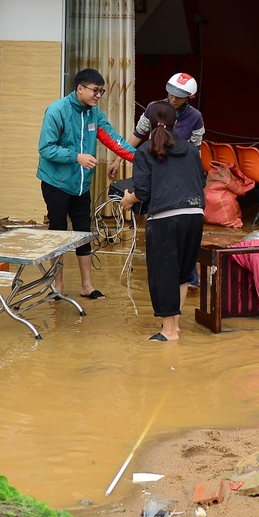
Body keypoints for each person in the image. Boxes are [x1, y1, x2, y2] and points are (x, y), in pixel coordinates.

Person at [38, 68, 136, 300]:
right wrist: (76, 157)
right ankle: (57, 286)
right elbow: (45, 148)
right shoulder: (57, 111)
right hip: (56, 183)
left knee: (83, 232)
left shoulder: (94, 114)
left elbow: (115, 141)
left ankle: (87, 285)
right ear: (80, 88)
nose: (98, 95)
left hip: (81, 185)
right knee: (58, 232)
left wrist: (142, 159)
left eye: (101, 91)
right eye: (95, 90)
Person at [108, 72, 205, 288]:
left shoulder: (195, 117)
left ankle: (189, 277)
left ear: (190, 97)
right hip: (157, 171)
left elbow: (196, 150)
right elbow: (137, 134)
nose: (173, 98)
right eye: (171, 93)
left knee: (185, 230)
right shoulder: (154, 108)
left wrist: (197, 179)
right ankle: (166, 277)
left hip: (179, 173)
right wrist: (118, 160)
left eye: (179, 96)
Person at [120, 100, 206, 342]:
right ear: (175, 122)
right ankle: (174, 326)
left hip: (165, 219)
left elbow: (143, 192)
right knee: (183, 274)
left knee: (164, 273)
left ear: (149, 124)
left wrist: (128, 199)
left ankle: (168, 332)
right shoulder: (190, 149)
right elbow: (201, 181)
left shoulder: (144, 151)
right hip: (194, 216)